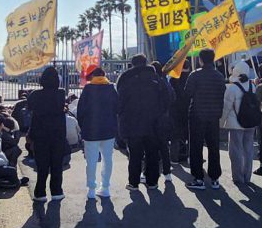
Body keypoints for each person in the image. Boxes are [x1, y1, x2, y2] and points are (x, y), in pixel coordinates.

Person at [117, 54, 166, 191]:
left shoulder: (125, 80)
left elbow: (119, 103)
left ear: (133, 64)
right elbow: (168, 97)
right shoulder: (156, 78)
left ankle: (133, 183)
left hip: (132, 123)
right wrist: (159, 113)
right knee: (152, 154)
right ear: (145, 63)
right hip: (153, 123)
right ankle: (152, 182)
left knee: (135, 154)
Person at [185, 48, 226, 190]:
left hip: (197, 114)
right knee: (214, 147)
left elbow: (187, 94)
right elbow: (222, 95)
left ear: (200, 59)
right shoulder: (219, 76)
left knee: (196, 147)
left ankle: (198, 178)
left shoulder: (195, 75)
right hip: (214, 115)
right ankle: (215, 178)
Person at [76, 66, 119, 199]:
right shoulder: (111, 88)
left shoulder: (88, 89)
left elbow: (80, 111)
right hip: (108, 130)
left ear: (92, 76)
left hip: (91, 131)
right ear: (104, 75)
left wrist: (83, 127)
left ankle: (91, 190)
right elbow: (118, 108)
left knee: (91, 161)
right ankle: (105, 187)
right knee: (108, 159)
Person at [27, 67, 68, 201]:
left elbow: (30, 108)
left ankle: (40, 193)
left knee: (42, 164)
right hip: (58, 133)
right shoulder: (61, 93)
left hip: (40, 133)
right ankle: (57, 191)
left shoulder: (35, 95)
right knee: (57, 164)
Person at [221, 60, 258, 184]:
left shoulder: (232, 88)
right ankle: (247, 176)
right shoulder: (253, 86)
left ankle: (238, 177)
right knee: (248, 149)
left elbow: (226, 108)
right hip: (251, 122)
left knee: (236, 151)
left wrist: (221, 123)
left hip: (235, 123)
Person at [151, 61, 175, 182]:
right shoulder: (165, 82)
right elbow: (173, 97)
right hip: (165, 119)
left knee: (151, 149)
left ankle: (150, 174)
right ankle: (167, 173)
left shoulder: (151, 83)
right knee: (164, 147)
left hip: (152, 119)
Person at [168, 61, 191, 163]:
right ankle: (189, 156)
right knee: (190, 135)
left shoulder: (173, 79)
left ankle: (174, 158)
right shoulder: (191, 78)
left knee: (175, 136)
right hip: (189, 110)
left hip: (175, 110)